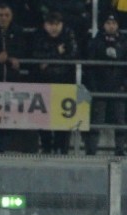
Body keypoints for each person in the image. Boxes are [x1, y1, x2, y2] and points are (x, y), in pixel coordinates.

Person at [84, 13, 127, 156]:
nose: (111, 26)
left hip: (119, 87)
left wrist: (125, 84)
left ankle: (120, 150)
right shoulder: (96, 42)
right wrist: (93, 86)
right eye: (108, 23)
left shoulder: (125, 43)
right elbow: (90, 66)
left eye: (113, 23)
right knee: (96, 120)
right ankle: (91, 150)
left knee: (120, 120)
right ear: (103, 25)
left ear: (117, 25)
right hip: (100, 87)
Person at [29, 12, 77, 154]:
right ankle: (46, 147)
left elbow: (73, 55)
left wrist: (48, 59)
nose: (54, 28)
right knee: (43, 117)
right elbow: (35, 56)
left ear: (62, 24)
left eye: (57, 24)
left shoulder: (69, 34)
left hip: (65, 81)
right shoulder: (38, 35)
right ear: (45, 25)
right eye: (51, 24)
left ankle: (61, 148)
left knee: (62, 118)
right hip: (43, 81)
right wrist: (56, 52)